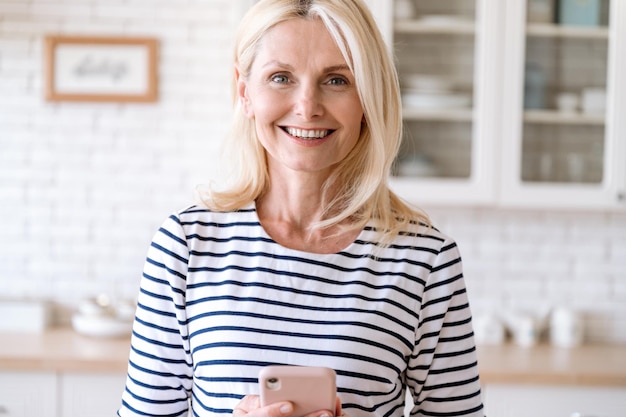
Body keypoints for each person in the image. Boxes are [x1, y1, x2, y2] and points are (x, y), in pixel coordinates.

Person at [117, 0, 484, 416]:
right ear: (244, 92)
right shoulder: (185, 245)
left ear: (367, 97)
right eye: (280, 77)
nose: (307, 106)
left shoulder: (425, 260)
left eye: (336, 80)